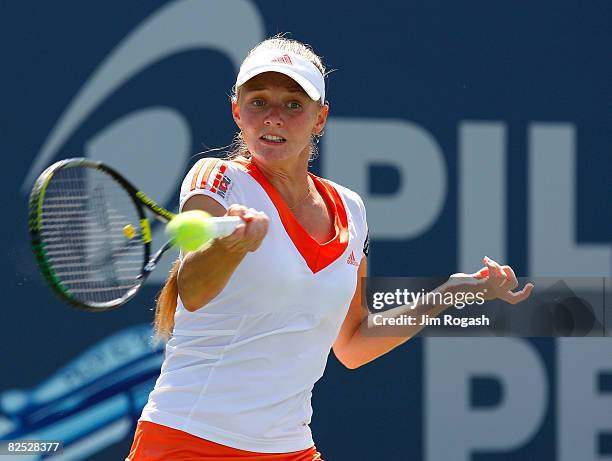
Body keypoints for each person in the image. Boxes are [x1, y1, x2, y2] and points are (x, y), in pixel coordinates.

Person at [126, 36, 533, 461]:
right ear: (237, 111)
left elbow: (353, 343)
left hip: (290, 448)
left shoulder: (351, 209)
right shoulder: (218, 180)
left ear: (320, 118)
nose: (274, 118)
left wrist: (450, 294)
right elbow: (191, 288)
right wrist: (231, 247)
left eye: (293, 104)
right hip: (187, 442)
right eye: (258, 101)